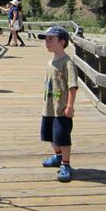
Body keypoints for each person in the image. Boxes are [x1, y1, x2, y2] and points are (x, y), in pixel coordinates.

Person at [37, 26, 78, 182]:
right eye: (46, 40)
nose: (47, 43)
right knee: (51, 136)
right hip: (49, 107)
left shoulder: (67, 63)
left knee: (63, 137)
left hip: (61, 109)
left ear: (62, 42)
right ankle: (57, 156)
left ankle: (66, 164)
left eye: (50, 39)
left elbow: (72, 86)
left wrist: (70, 106)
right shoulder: (50, 62)